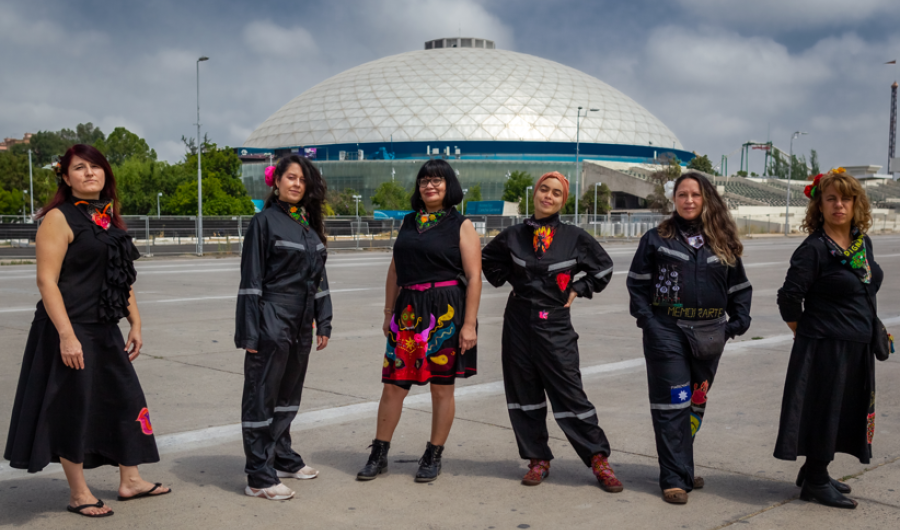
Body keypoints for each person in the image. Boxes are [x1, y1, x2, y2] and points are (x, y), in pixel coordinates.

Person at [4, 145, 169, 518]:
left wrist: (136, 322)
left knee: (126, 400)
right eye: (80, 168)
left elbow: (121, 278)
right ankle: (79, 493)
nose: (90, 173)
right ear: (65, 177)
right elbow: (46, 282)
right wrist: (66, 335)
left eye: (96, 167)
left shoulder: (108, 220)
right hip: (67, 327)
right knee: (72, 409)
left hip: (104, 329)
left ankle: (131, 480)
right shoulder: (58, 219)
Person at [481, 171, 623, 492]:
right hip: (518, 320)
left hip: (554, 321)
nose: (549, 196)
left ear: (563, 200)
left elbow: (603, 267)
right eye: (544, 189)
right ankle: (537, 459)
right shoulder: (514, 235)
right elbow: (488, 259)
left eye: (556, 193)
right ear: (535, 193)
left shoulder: (574, 237)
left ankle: (598, 459)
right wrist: (510, 279)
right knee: (523, 392)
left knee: (569, 390)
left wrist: (578, 288)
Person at [626, 171, 751, 504]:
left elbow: (739, 286)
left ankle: (682, 464)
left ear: (706, 198)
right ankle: (673, 477)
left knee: (695, 401)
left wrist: (735, 325)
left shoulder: (722, 240)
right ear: (674, 199)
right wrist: (650, 323)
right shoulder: (656, 238)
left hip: (711, 334)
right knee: (672, 403)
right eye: (682, 194)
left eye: (695, 194)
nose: (689, 200)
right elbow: (637, 285)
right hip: (668, 332)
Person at [357, 159, 481, 483]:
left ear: (448, 185)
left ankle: (433, 454)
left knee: (442, 388)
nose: (430, 185)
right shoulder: (409, 221)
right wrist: (388, 312)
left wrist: (469, 324)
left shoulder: (461, 224)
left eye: (437, 180)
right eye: (424, 180)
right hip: (409, 312)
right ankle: (379, 453)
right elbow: (395, 270)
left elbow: (474, 276)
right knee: (393, 386)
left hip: (445, 312)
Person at [774, 169, 883, 510]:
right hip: (824, 346)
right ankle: (816, 482)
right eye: (831, 199)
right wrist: (808, 335)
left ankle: (814, 471)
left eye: (846, 199)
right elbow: (789, 298)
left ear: (855, 204)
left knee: (844, 411)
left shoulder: (861, 242)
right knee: (825, 410)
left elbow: (866, 289)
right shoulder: (813, 249)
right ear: (819, 205)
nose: (839, 205)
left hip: (856, 344)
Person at [234, 155, 333, 500]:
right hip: (272, 317)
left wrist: (325, 318)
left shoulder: (307, 225)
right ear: (275, 182)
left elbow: (318, 277)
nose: (296, 184)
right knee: (262, 395)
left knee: (288, 393)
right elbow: (251, 280)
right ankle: (259, 476)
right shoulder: (264, 222)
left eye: (302, 180)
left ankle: (282, 456)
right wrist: (249, 332)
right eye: (290, 178)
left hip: (301, 320)